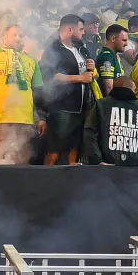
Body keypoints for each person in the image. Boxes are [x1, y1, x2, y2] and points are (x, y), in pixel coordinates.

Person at [0, 25, 44, 164]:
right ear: (4, 37)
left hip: (25, 119)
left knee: (22, 159)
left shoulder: (32, 61)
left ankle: (19, 186)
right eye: (14, 35)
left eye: (21, 35)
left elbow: (38, 92)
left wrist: (41, 117)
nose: (18, 38)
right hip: (0, 117)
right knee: (0, 159)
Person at [40, 14, 95, 165]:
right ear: (70, 29)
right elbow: (50, 77)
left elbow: (88, 75)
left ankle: (71, 180)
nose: (83, 32)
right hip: (62, 108)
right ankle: (44, 181)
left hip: (81, 108)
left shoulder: (81, 49)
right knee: (55, 150)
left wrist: (91, 68)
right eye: (81, 29)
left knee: (74, 148)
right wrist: (80, 78)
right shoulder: (53, 49)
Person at [83, 74, 138, 166]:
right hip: (136, 167)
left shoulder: (101, 104)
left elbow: (89, 133)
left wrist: (97, 160)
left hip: (106, 167)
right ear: (133, 90)